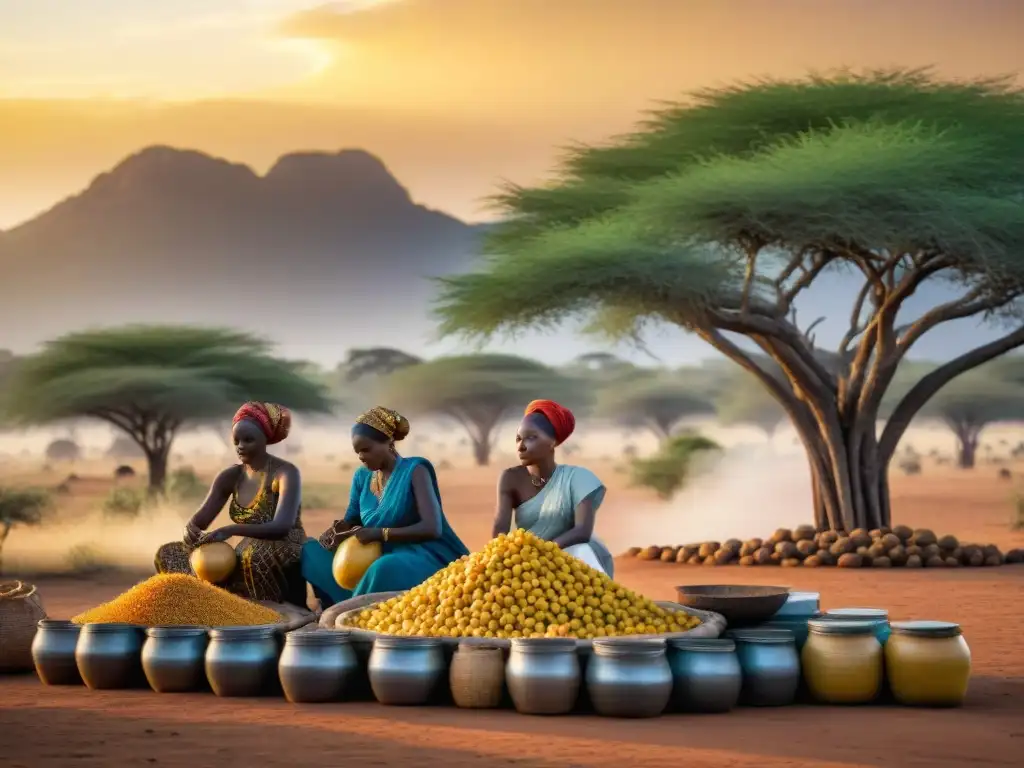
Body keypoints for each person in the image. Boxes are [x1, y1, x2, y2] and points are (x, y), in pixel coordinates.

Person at [301, 406, 469, 608]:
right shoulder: (362, 477)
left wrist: (380, 534)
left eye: (366, 449)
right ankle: (335, 605)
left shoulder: (415, 470)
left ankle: (351, 609)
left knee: (384, 568)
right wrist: (339, 531)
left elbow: (432, 528)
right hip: (370, 553)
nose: (361, 457)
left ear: (389, 442)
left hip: (419, 553)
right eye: (357, 452)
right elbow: (352, 519)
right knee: (309, 550)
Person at [154, 401, 307, 605]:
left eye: (248, 440)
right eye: (237, 441)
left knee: (251, 553)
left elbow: (281, 527)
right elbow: (200, 520)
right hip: (244, 546)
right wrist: (191, 532)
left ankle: (266, 611)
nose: (241, 446)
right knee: (169, 554)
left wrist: (231, 529)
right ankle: (212, 605)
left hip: (285, 543)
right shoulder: (231, 476)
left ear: (265, 440)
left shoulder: (285, 473)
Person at [493, 399, 615, 577]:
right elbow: (500, 529)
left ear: (553, 442)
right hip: (528, 559)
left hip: (572, 554)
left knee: (582, 553)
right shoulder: (510, 478)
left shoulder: (578, 478)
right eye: (518, 438)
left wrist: (542, 552)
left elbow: (582, 531)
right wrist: (502, 557)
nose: (521, 446)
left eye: (531, 437)